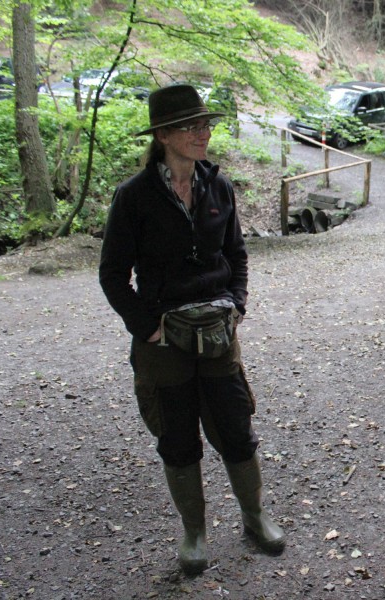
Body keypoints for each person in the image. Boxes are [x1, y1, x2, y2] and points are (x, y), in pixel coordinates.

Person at [99, 84, 285, 575]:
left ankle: (255, 516)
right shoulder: (134, 197)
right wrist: (147, 327)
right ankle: (195, 533)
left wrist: (237, 303)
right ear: (163, 135)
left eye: (206, 125)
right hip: (163, 339)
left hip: (219, 331)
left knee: (236, 427)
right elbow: (113, 274)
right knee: (177, 437)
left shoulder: (217, 186)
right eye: (191, 126)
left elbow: (237, 253)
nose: (204, 134)